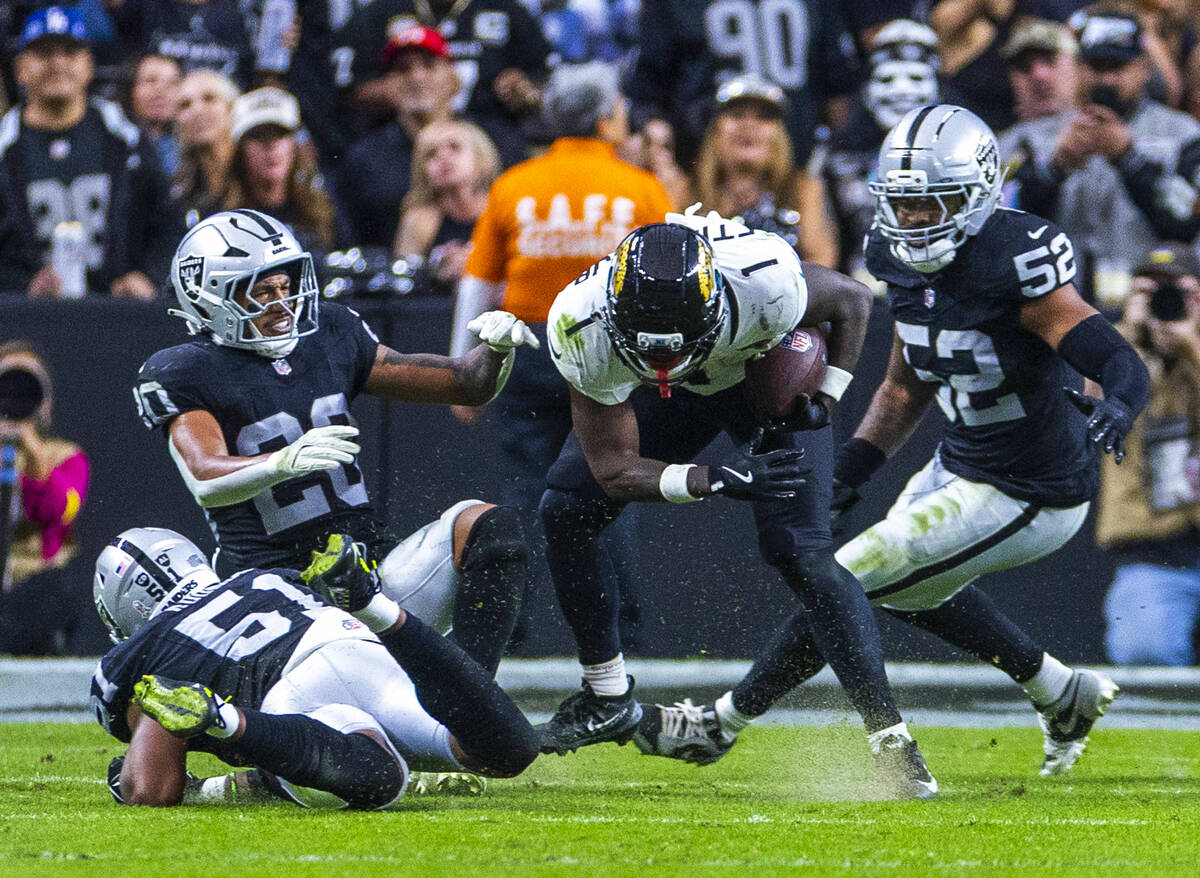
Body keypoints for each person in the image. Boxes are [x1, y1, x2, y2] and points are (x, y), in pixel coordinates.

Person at [652, 105, 1147, 778]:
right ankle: (1062, 692)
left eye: (932, 203)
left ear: (976, 195)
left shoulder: (1016, 259)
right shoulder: (892, 254)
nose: (913, 219)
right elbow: (904, 385)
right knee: (907, 587)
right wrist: (854, 467)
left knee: (848, 578)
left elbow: (1112, 353)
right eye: (904, 203)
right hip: (961, 462)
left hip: (1035, 489)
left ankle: (721, 721)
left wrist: (1119, 401)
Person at [536, 207, 937, 798]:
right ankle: (606, 695)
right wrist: (716, 477)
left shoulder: (763, 280)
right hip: (669, 399)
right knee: (565, 507)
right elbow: (614, 469)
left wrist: (826, 396)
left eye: (675, 349)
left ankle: (892, 743)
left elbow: (852, 299)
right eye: (647, 352)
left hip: (754, 379)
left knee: (800, 550)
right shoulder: (580, 320)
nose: (663, 365)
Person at [133, 208, 539, 677]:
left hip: (367, 575)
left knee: (487, 526)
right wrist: (280, 463)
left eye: (285, 286)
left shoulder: (328, 332)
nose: (282, 304)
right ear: (209, 300)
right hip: (274, 596)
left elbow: (466, 384)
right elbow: (205, 476)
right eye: (262, 292)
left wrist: (496, 350)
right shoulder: (184, 368)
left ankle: (471, 702)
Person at [452, 62, 674, 652]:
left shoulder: (515, 185)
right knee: (611, 483)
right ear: (605, 118)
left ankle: (509, 624)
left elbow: (477, 283)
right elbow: (671, 278)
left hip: (528, 345)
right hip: (609, 349)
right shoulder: (639, 188)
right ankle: (618, 630)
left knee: (525, 485)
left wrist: (461, 370)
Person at [92, 526, 539, 807]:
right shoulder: (264, 577)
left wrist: (137, 777)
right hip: (350, 642)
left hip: (287, 696)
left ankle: (226, 718)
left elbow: (151, 788)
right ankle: (377, 610)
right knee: (508, 751)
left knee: (378, 778)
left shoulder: (140, 653)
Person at [997, 8, 1200, 300]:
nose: (1106, 79)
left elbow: (1186, 224)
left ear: (1143, 68)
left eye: (1116, 67)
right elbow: (1006, 226)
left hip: (1150, 301)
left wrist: (1129, 159)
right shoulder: (1036, 138)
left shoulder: (1182, 134)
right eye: (1096, 66)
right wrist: (1055, 168)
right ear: (1079, 68)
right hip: (1060, 307)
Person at [0, 6, 183, 299]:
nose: (57, 64)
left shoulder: (125, 136)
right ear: (20, 68)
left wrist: (150, 278)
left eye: (69, 53)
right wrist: (20, 286)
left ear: (88, 64)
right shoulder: (5, 147)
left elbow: (168, 224)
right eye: (44, 54)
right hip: (27, 323)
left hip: (118, 317)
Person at [1097, 243, 1200, 665]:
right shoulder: (1113, 351)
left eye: (1176, 291)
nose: (1163, 301)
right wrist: (1128, 335)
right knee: (1145, 654)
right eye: (1148, 291)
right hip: (1155, 553)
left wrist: (1190, 342)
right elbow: (1085, 407)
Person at [627, 0, 860, 169]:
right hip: (701, 173)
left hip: (794, 170)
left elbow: (837, 87)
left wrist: (824, 160)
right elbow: (648, 90)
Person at [813, 19, 942, 280]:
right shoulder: (836, 162)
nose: (901, 90)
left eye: (916, 78)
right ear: (867, 91)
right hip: (867, 289)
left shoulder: (963, 153)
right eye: (887, 79)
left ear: (938, 87)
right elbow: (824, 249)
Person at [336, 25, 462, 251]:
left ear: (453, 76)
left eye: (429, 65)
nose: (417, 77)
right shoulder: (364, 160)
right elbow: (350, 245)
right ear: (389, 83)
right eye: (403, 69)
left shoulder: (490, 142)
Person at [691, 75, 838, 268]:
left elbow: (822, 265)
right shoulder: (687, 191)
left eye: (763, 117)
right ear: (716, 129)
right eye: (737, 114)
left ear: (780, 135)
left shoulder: (805, 190)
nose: (749, 125)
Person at [0, 341, 89, 654]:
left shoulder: (67, 457)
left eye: (26, 390)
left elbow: (58, 511)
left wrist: (31, 450)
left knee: (55, 590)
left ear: (45, 400)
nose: (14, 399)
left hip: (36, 586)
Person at [221, 87, 336, 256]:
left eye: (280, 134)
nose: (271, 146)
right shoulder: (220, 218)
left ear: (295, 146)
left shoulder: (326, 211)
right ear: (239, 149)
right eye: (258, 136)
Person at [394, 119, 501, 295]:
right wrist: (435, 273)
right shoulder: (419, 220)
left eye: (454, 147)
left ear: (482, 160)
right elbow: (403, 287)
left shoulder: (502, 209)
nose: (443, 157)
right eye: (431, 154)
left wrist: (475, 264)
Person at [169, 68, 239, 226]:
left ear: (231, 109)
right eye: (185, 105)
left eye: (209, 98)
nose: (197, 111)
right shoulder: (176, 195)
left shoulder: (259, 180)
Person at [1000, 19, 1079, 124]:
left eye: (1050, 61)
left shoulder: (1103, 136)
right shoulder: (992, 139)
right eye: (1024, 67)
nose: (1039, 75)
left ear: (1079, 69)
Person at [126, 53, 183, 178]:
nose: (161, 91)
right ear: (130, 89)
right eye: (150, 81)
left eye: (172, 83)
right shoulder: (112, 143)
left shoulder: (192, 149)